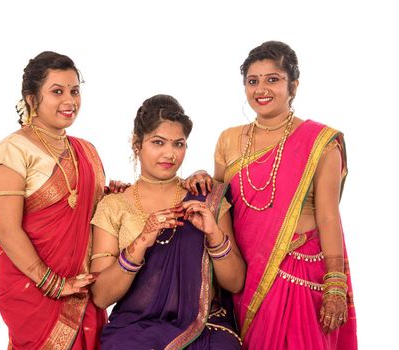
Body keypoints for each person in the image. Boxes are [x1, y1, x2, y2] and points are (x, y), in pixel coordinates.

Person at [185, 41, 357, 349]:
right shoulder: (229, 139)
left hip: (298, 272)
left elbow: (328, 215)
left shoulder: (320, 142)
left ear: (293, 85)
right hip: (244, 274)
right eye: (253, 81)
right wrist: (201, 180)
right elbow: (220, 202)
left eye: (272, 79)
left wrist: (335, 282)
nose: (261, 89)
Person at [0, 51, 124, 349]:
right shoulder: (12, 151)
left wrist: (114, 198)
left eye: (75, 91)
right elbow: (7, 230)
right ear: (32, 99)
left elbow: (89, 215)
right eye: (57, 91)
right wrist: (53, 284)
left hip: (83, 287)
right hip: (33, 291)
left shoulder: (86, 150)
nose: (70, 101)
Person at [89, 94, 246, 349]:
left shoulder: (206, 200)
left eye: (178, 144)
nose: (170, 154)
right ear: (136, 144)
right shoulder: (114, 205)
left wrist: (214, 235)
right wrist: (141, 241)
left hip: (204, 328)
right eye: (158, 142)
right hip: (134, 330)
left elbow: (236, 282)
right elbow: (101, 296)